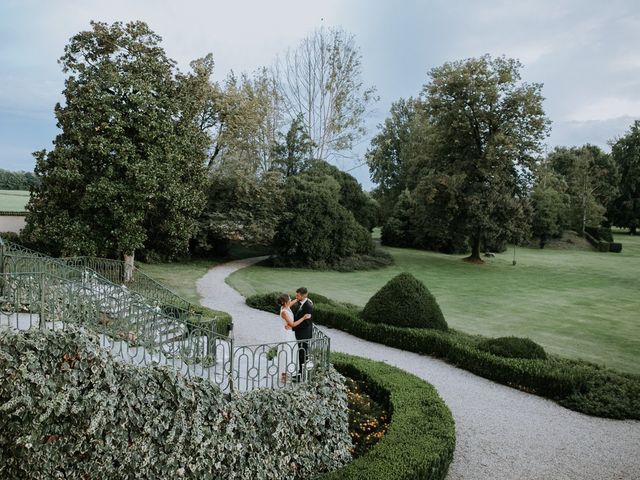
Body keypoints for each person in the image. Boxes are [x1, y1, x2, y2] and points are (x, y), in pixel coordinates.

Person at [276, 293, 310, 383]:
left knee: (290, 352)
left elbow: (293, 302)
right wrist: (303, 318)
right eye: (289, 299)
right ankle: (284, 376)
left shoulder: (286, 307)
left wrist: (301, 298)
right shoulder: (283, 312)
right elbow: (292, 324)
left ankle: (287, 374)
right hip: (286, 334)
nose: (291, 300)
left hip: (289, 332)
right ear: (285, 302)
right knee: (286, 353)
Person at [292, 287, 313, 382]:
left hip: (304, 335)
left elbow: (307, 322)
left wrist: (294, 326)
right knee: (301, 354)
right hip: (300, 333)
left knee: (303, 355)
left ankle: (301, 376)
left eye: (298, 295)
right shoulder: (301, 303)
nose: (296, 297)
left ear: (304, 295)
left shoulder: (308, 306)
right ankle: (300, 374)